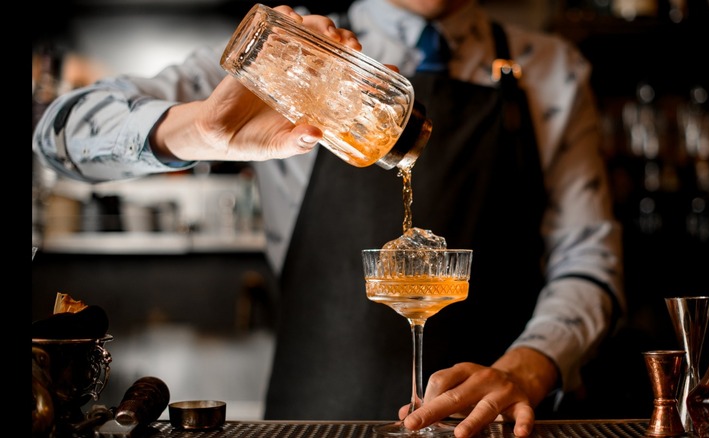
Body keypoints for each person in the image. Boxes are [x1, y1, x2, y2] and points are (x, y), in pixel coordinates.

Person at [32, 1, 625, 437]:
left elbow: (590, 264)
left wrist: (526, 370)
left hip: (495, 426)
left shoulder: (550, 70)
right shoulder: (287, 56)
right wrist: (200, 129)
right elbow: (57, 135)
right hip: (315, 418)